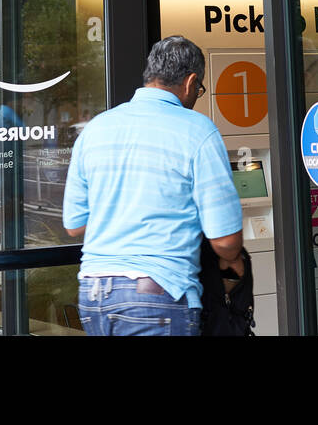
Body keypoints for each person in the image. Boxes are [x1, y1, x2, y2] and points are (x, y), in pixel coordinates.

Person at [63, 36, 244, 335]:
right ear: (190, 82)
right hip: (157, 296)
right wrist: (233, 259)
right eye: (199, 90)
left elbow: (74, 225)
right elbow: (225, 240)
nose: (196, 95)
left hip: (94, 295)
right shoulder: (198, 131)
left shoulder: (95, 129)